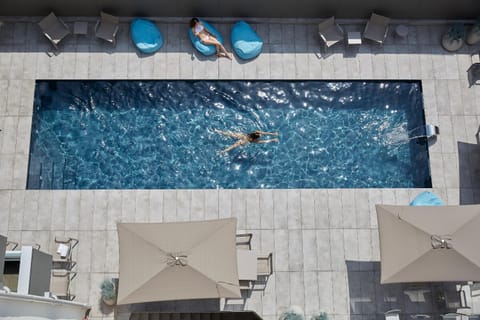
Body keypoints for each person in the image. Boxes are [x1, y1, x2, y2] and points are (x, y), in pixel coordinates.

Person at [215, 129, 279, 154]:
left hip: (242, 136)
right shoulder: (255, 141)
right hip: (244, 141)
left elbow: (264, 133)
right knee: (233, 146)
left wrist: (273, 134)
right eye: (260, 136)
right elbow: (264, 141)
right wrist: (272, 140)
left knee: (230, 134)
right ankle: (222, 152)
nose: (261, 135)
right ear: (255, 138)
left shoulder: (255, 132)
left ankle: (218, 131)